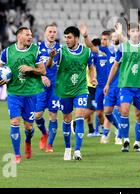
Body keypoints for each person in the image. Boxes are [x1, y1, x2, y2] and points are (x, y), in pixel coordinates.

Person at [0, 27, 46, 164]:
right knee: (15, 121)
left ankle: (28, 141)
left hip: (30, 94)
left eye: (31, 35)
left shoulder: (35, 50)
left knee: (29, 127)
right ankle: (17, 154)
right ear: (19, 36)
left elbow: (43, 71)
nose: (30, 37)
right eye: (27, 34)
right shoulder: (8, 52)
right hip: (14, 93)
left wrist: (31, 69)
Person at [46, 26, 96, 161]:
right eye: (65, 37)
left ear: (76, 38)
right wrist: (50, 58)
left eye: (69, 37)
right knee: (67, 119)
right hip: (64, 91)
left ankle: (78, 150)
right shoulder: (61, 51)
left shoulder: (86, 52)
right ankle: (68, 148)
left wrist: (92, 77)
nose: (66, 40)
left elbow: (91, 67)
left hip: (80, 89)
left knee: (79, 117)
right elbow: (49, 66)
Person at [104, 22, 140, 152]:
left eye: (137, 30)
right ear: (129, 33)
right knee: (124, 111)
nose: (134, 33)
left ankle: (137, 143)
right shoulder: (122, 47)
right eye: (132, 30)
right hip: (126, 85)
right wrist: (108, 83)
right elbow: (115, 65)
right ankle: (126, 140)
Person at [34, 24, 61, 153]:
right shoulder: (37, 48)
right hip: (40, 86)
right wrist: (41, 77)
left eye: (54, 32)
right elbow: (31, 67)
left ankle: (49, 144)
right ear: (45, 33)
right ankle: (45, 133)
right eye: (50, 31)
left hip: (55, 86)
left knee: (53, 114)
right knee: (37, 115)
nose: (52, 34)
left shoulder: (60, 49)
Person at [100, 25, 125, 144]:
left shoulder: (124, 49)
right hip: (110, 85)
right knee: (107, 111)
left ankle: (119, 136)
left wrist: (120, 33)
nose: (115, 38)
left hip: (121, 85)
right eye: (113, 36)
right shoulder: (108, 50)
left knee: (121, 110)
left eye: (117, 36)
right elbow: (92, 48)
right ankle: (119, 128)